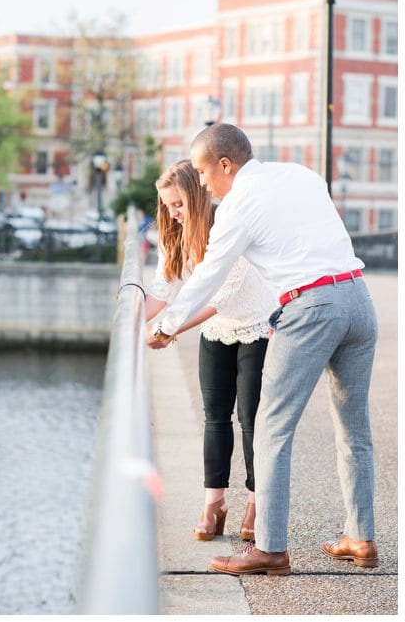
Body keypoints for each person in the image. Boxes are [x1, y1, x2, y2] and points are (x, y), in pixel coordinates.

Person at [150, 123, 377, 576]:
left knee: (271, 429)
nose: (203, 183)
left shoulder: (237, 206)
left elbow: (209, 275)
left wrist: (166, 326)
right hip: (358, 299)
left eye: (203, 171)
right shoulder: (302, 174)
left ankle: (270, 548)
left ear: (225, 165)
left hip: (310, 307)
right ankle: (361, 537)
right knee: (355, 430)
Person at [141, 160, 277, 543]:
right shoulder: (175, 236)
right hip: (217, 333)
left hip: (256, 327)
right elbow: (162, 290)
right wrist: (128, 318)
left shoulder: (229, 225)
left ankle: (255, 503)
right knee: (215, 418)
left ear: (198, 196)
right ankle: (213, 503)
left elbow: (220, 297)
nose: (173, 214)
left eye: (179, 205)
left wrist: (167, 331)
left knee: (251, 421)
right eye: (167, 206)